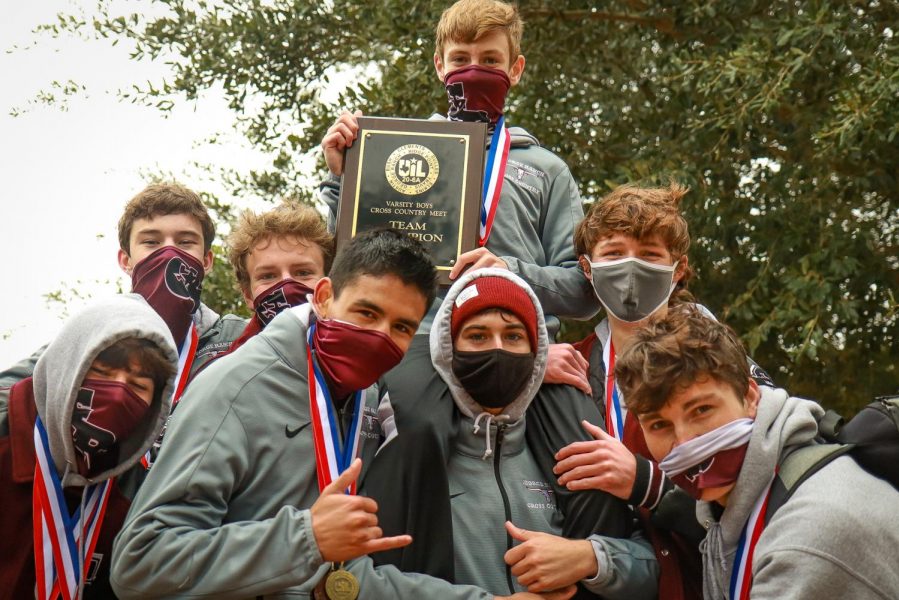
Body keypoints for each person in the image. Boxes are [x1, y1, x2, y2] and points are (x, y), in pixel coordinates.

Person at [111, 230, 559, 599]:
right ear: (324, 297)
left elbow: (340, 578)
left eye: (401, 327)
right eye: (366, 312)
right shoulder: (235, 387)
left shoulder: (363, 394)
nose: (380, 336)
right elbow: (141, 561)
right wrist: (306, 538)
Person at [318, 0, 598, 356]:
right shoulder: (394, 152)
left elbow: (584, 291)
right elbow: (345, 263)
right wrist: (343, 175)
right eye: (461, 59)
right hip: (414, 349)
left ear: (516, 68)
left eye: (491, 60)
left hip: (516, 353)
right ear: (440, 66)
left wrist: (509, 271)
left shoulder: (547, 170)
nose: (475, 70)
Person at [361, 268, 658, 600]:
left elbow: (656, 569)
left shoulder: (562, 448)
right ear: (447, 349)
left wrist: (589, 558)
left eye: (514, 336)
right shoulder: (408, 450)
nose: (497, 349)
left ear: (537, 352)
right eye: (477, 336)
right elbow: (353, 579)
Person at [615, 306, 899, 600]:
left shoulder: (807, 535)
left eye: (702, 410)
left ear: (750, 397)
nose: (686, 442)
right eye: (660, 425)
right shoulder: (732, 505)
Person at [552, 182, 707, 599]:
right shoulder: (567, 365)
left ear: (678, 269)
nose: (631, 267)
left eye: (650, 255)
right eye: (614, 254)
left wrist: (647, 485)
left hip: (691, 582)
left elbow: (746, 505)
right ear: (587, 268)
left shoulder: (716, 367)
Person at [0, 294, 178, 599]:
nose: (119, 395)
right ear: (68, 367)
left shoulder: (140, 491)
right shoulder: (5, 435)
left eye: (138, 386)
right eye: (102, 373)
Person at [0, 183, 247, 388]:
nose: (170, 253)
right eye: (151, 242)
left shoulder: (239, 339)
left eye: (185, 242)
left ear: (206, 260)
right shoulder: (93, 334)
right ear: (126, 260)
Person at [225, 201, 334, 352]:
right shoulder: (226, 370)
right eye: (268, 276)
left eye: (303, 273)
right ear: (248, 295)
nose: (287, 286)